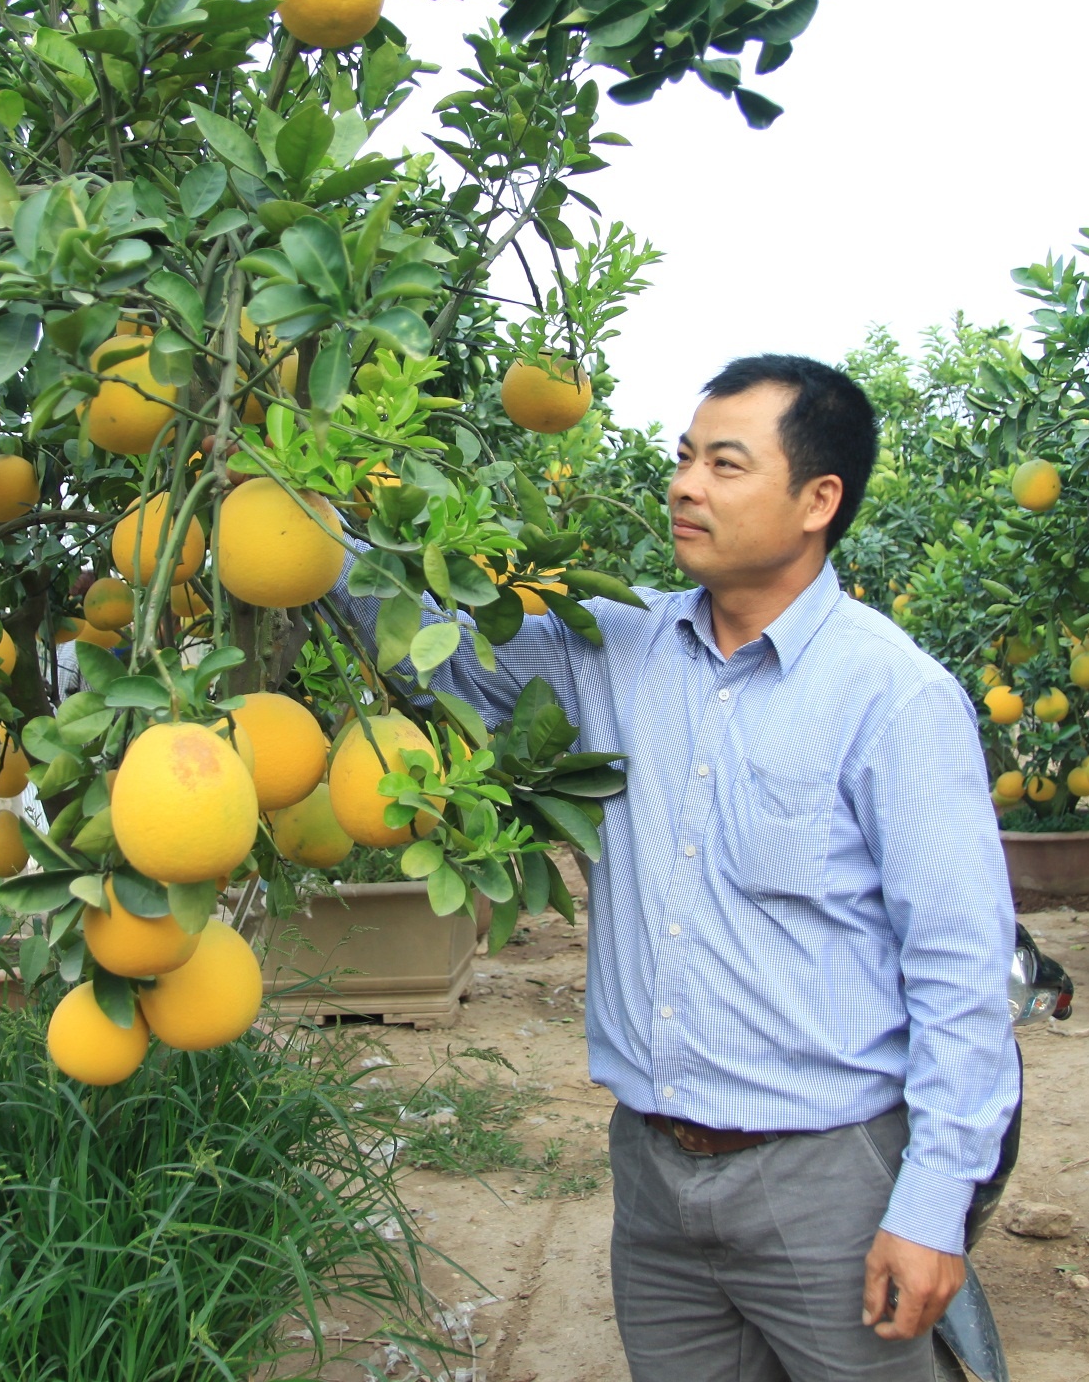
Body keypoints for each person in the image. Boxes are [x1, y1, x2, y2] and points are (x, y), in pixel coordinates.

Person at [340, 354, 1018, 1380]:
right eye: (685, 457)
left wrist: (933, 1203)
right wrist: (278, 498)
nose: (686, 484)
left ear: (816, 501)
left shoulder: (893, 696)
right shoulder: (612, 649)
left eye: (726, 464)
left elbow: (962, 968)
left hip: (827, 1175)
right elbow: (415, 640)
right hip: (654, 1175)